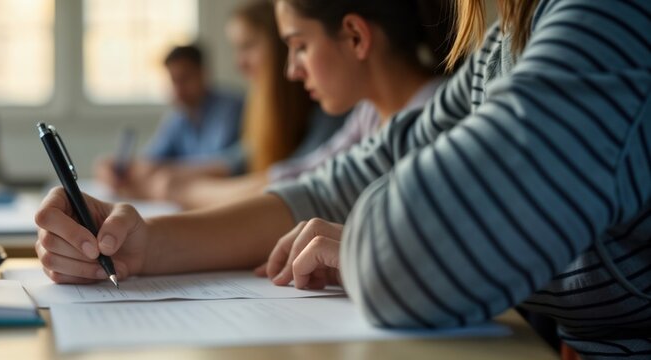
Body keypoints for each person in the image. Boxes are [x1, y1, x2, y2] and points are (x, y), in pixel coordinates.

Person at [37, 0, 651, 357]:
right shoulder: (505, 45)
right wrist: (147, 244)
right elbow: (341, 183)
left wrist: (364, 239)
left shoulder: (608, 22)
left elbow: (404, 260)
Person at [155, 0, 452, 209]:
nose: (291, 71)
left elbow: (303, 189)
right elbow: (305, 177)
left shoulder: (433, 120)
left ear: (355, 36)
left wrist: (181, 192)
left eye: (301, 47)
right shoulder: (368, 114)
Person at [96, 0, 346, 205]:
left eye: (248, 46)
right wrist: (137, 171)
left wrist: (176, 188)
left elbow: (295, 181)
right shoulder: (254, 110)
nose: (240, 64)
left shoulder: (328, 108)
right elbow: (242, 158)